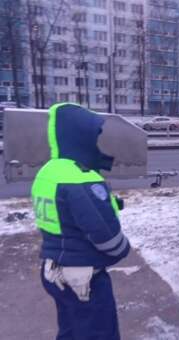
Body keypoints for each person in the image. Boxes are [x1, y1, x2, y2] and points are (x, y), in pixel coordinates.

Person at [31, 103, 130, 339]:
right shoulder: (80, 178)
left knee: (70, 329)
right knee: (99, 333)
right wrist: (123, 248)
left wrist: (109, 204)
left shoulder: (49, 171)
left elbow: (64, 212)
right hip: (84, 278)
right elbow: (107, 237)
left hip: (53, 270)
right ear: (79, 136)